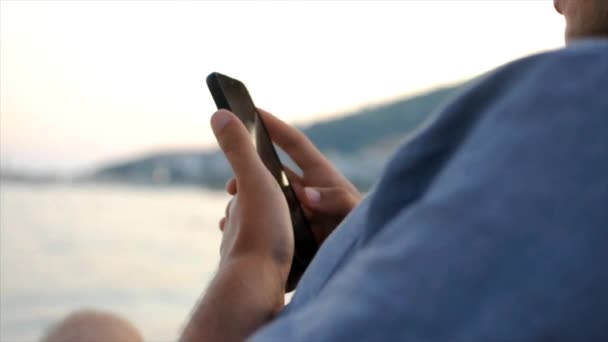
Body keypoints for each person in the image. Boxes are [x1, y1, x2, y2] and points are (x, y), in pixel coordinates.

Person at [44, 1, 607, 341]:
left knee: (92, 331)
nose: (556, 4)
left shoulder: (580, 105)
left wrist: (253, 263)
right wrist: (368, 248)